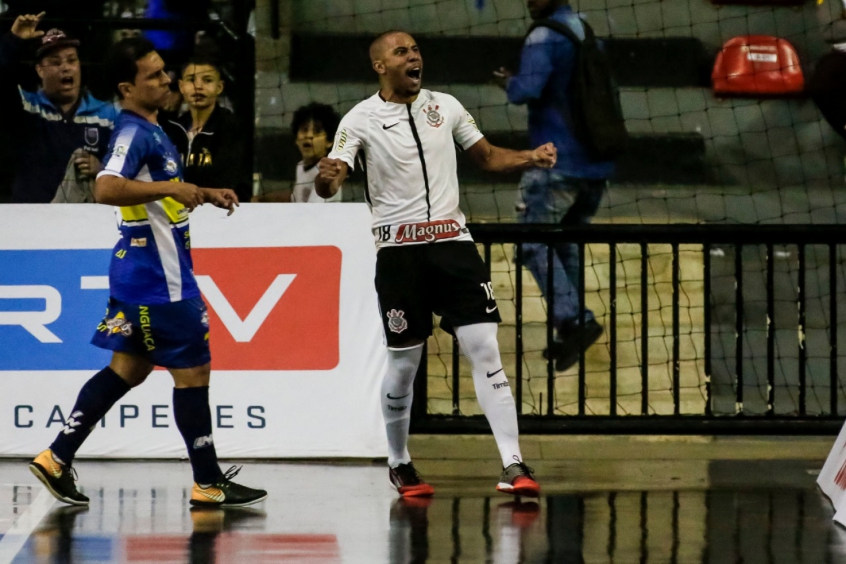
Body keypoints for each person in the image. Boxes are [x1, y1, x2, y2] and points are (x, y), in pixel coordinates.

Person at [316, 30, 557, 498]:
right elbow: (335, 175)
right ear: (380, 66)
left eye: (416, 50)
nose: (414, 56)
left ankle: (513, 463)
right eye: (401, 52)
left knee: (485, 347)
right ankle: (400, 462)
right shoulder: (359, 119)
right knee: (405, 364)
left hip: (454, 246)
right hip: (400, 256)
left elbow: (486, 157)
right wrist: (328, 180)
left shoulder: (446, 106)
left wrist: (531, 157)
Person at [28, 37, 266, 510]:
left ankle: (57, 457)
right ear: (126, 87)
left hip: (137, 277)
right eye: (153, 75)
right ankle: (208, 480)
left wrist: (199, 190)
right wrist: (176, 184)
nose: (167, 80)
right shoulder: (133, 132)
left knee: (127, 369)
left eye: (164, 70)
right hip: (162, 282)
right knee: (194, 372)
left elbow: (153, 197)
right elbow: (106, 187)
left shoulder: (155, 129)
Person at [493, 0, 615, 371]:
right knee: (565, 246)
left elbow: (526, 90)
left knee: (532, 244)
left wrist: (506, 81)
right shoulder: (586, 29)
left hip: (554, 162)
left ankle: (576, 320)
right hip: (595, 165)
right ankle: (569, 328)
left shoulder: (544, 35)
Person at [0, 13, 117, 203]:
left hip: (86, 223)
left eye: (71, 60)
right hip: (29, 220)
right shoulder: (25, 107)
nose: (65, 68)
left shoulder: (108, 114)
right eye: (55, 62)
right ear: (40, 70)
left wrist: (103, 170)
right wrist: (13, 40)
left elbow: (130, 170)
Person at [162, 54, 249, 200]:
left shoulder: (231, 127)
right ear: (181, 87)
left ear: (219, 87)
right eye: (191, 80)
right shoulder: (172, 129)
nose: (198, 86)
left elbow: (225, 183)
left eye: (207, 80)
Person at [290, 103, 343, 203]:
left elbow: (312, 215)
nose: (309, 135)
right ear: (296, 138)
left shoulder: (328, 174)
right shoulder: (301, 166)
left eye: (317, 131)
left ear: (329, 141)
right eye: (304, 130)